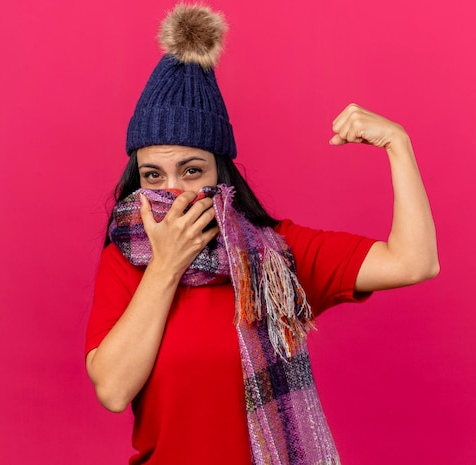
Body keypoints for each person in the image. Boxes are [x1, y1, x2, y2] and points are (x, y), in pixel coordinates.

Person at [85, 4, 439, 465]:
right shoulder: (126, 262)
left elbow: (416, 261)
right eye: (154, 176)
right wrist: (167, 264)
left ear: (222, 173)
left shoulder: (277, 260)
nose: (172, 192)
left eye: (192, 171)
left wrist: (398, 145)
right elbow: (113, 390)